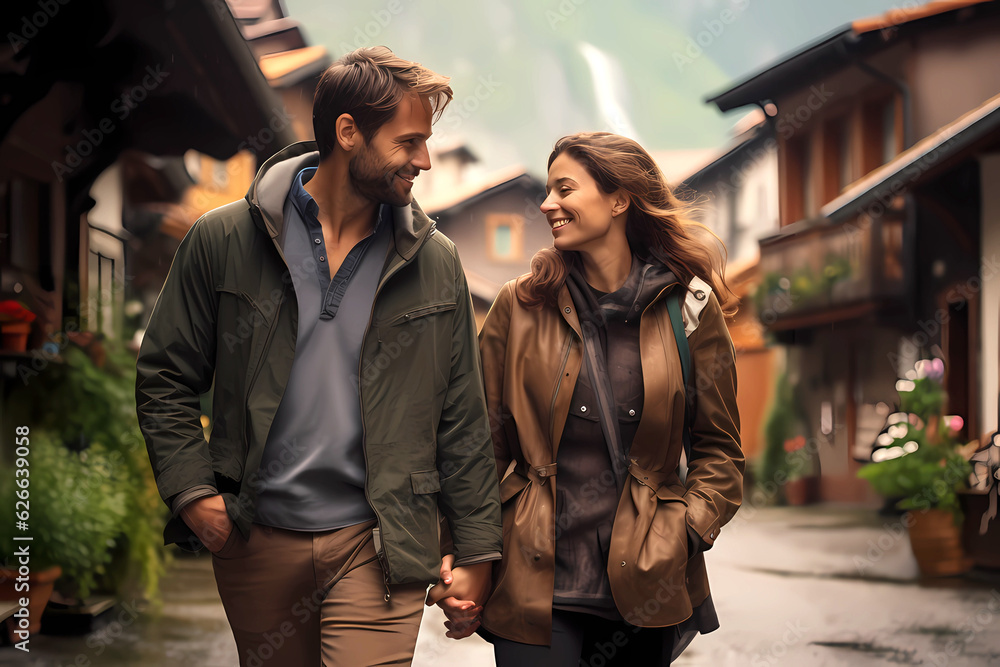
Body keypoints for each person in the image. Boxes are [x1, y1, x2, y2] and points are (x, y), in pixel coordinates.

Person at [136, 46, 501, 667]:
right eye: (409, 141)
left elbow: (461, 418)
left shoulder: (434, 261)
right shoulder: (224, 239)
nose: (425, 159)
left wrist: (476, 554)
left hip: (380, 542)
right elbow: (165, 375)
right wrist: (194, 494)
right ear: (348, 132)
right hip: (256, 538)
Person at [435, 132, 744, 665]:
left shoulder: (689, 308)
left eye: (564, 189)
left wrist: (686, 529)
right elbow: (478, 446)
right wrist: (466, 553)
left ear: (619, 199)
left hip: (644, 578)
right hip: (532, 578)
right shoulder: (520, 305)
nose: (546, 203)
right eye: (548, 190)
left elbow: (719, 451)